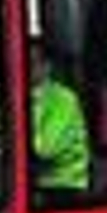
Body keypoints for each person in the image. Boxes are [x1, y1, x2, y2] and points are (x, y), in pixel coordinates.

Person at [30, 40, 90, 196]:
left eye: (32, 63)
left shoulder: (63, 99)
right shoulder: (27, 96)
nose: (26, 68)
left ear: (46, 67)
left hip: (66, 185)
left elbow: (45, 149)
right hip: (38, 182)